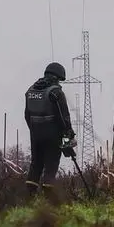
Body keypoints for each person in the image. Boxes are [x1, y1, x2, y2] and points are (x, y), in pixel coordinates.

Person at [23, 61, 76, 198]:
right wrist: (67, 143)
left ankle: (30, 197)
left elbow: (27, 115)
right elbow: (64, 121)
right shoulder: (56, 93)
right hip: (53, 137)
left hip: (35, 135)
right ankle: (49, 198)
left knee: (36, 164)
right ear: (57, 77)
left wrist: (34, 131)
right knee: (51, 165)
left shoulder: (30, 91)